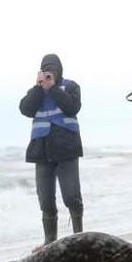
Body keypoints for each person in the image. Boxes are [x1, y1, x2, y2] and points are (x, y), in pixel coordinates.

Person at [18, 53, 84, 247]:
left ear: (59, 71)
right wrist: (39, 89)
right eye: (46, 71)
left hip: (66, 148)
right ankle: (49, 242)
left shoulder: (70, 86)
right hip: (41, 149)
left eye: (53, 71)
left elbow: (72, 108)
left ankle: (78, 237)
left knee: (71, 196)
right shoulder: (35, 92)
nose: (49, 75)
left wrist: (53, 88)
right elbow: (25, 109)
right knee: (45, 200)